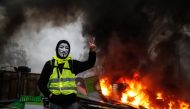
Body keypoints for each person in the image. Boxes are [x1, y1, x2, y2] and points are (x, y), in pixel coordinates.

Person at [38, 37, 96, 109]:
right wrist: (49, 94)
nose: (64, 50)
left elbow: (90, 63)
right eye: (61, 47)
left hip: (71, 103)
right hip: (55, 103)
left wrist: (92, 50)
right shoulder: (50, 64)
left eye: (66, 48)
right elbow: (41, 83)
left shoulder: (72, 64)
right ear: (57, 49)